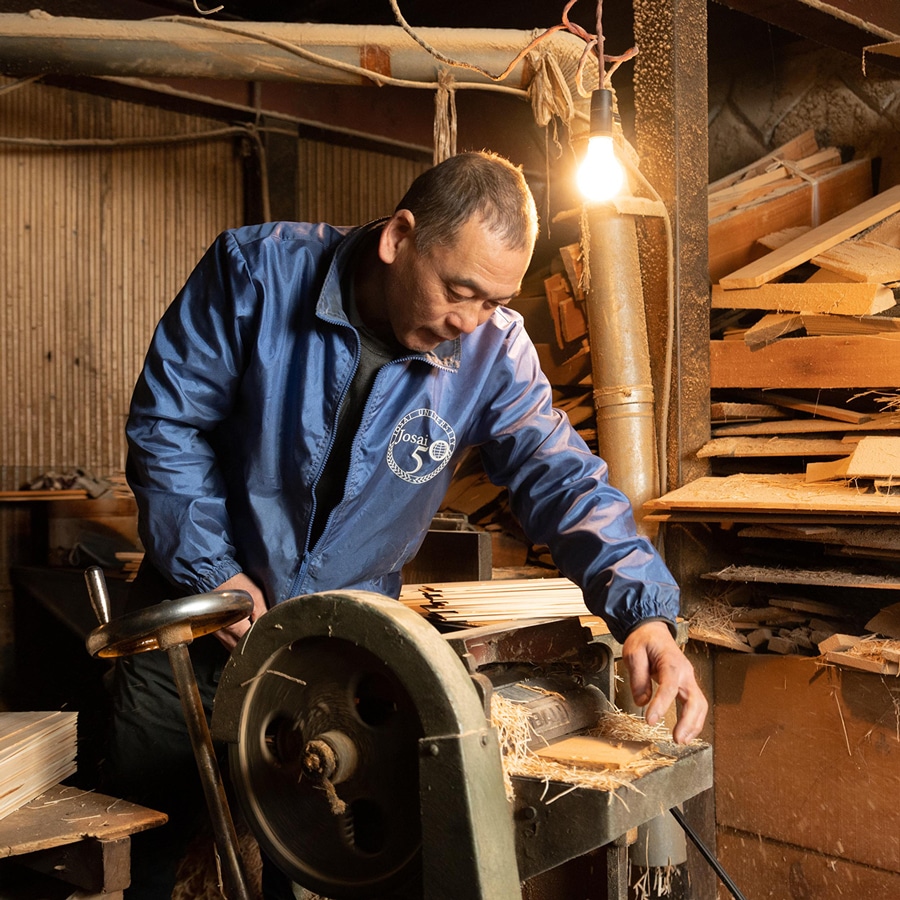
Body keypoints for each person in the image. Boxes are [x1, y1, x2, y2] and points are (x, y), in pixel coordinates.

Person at [105, 150, 707, 899]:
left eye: (493, 301)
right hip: (197, 626)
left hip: (339, 652)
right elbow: (169, 426)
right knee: (148, 845)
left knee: (318, 858)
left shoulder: (493, 349)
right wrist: (211, 571)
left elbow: (561, 479)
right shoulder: (255, 273)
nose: (469, 321)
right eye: (460, 291)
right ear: (399, 237)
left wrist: (644, 612)